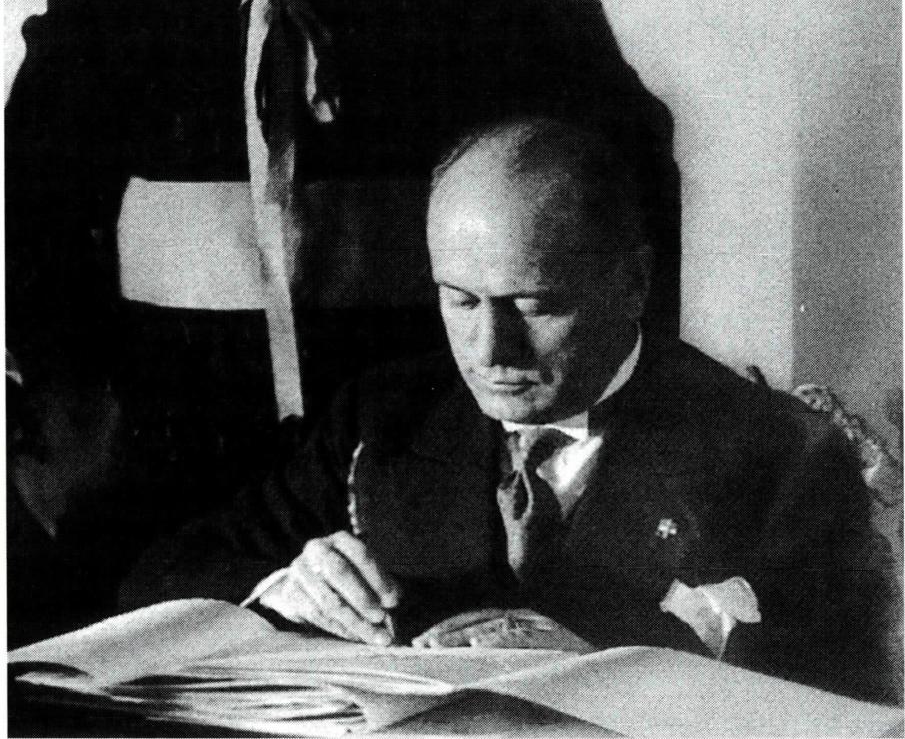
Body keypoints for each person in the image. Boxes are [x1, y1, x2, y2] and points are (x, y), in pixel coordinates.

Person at [6, 0, 678, 539]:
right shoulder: (108, 7)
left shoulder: (503, 1)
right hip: (167, 485)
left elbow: (624, 225)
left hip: (427, 477)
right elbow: (29, 244)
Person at [121, 118, 895, 704]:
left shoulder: (776, 451)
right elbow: (160, 574)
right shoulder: (387, 414)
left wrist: (614, 661)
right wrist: (281, 583)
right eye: (460, 300)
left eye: (535, 304)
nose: (492, 349)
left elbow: (843, 694)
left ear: (632, 283)